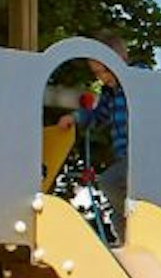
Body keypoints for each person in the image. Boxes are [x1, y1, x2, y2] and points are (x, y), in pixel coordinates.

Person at [54, 32, 131, 223]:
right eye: (97, 73)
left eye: (105, 70)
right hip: (123, 156)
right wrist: (75, 117)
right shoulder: (109, 92)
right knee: (118, 211)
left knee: (109, 181)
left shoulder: (138, 78)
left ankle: (134, 219)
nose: (103, 78)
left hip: (143, 154)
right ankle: (128, 228)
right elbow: (99, 116)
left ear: (121, 59)